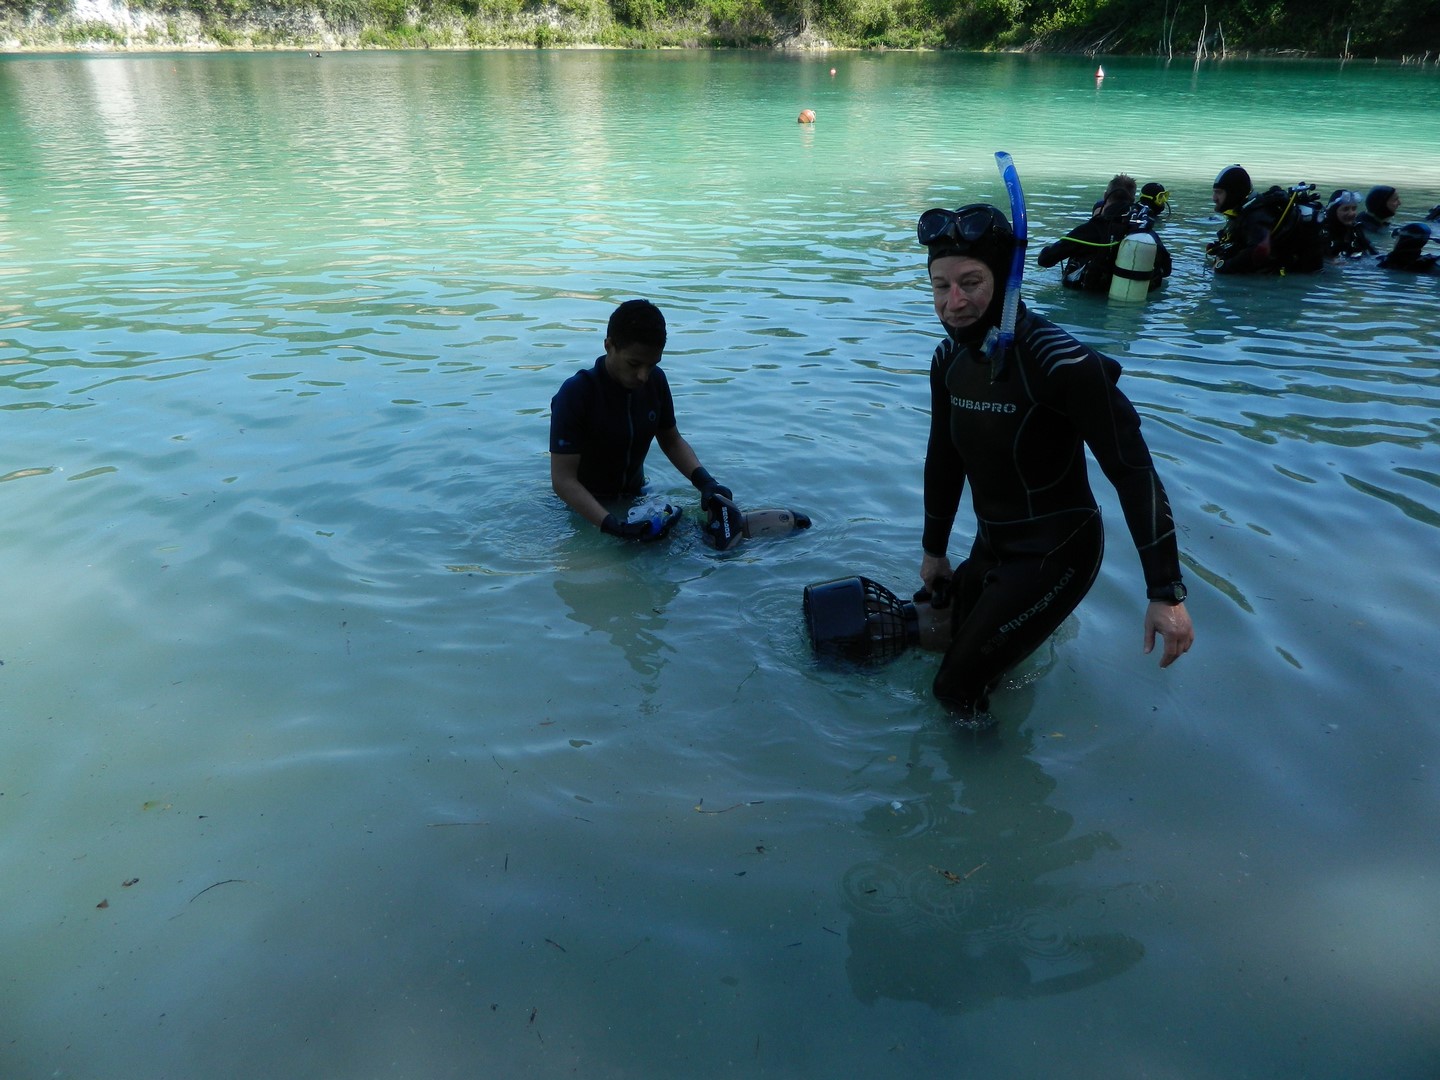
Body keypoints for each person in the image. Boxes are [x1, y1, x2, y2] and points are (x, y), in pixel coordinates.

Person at [915, 203, 1194, 727]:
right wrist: (934, 552)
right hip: (993, 544)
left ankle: (989, 777)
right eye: (940, 286)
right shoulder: (948, 360)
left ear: (1006, 281)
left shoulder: (1062, 363)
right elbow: (943, 455)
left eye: (971, 283)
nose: (954, 302)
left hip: (1057, 554)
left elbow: (1132, 472)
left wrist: (1166, 594)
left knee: (952, 690)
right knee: (944, 646)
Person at [549, 299, 732, 541]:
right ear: (609, 346)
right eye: (634, 364)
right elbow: (563, 481)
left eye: (652, 365)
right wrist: (614, 527)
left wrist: (706, 483)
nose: (643, 376)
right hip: (585, 509)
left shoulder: (656, 382)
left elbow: (671, 441)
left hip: (638, 496)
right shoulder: (576, 394)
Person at [1037, 176, 1171, 293]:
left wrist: (1046, 250)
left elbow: (1045, 260)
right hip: (1130, 299)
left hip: (1086, 298)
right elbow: (1166, 271)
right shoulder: (1144, 232)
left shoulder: (1090, 229)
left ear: (1105, 195)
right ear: (1133, 198)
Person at [1207, 165, 1324, 275]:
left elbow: (1261, 250)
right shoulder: (1244, 211)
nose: (1214, 198)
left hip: (1298, 276)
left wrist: (1222, 267)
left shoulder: (1256, 216)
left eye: (1219, 192)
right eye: (1214, 192)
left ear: (1234, 193)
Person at [1321, 190, 1377, 260]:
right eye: (1345, 209)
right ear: (1333, 211)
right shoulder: (1321, 231)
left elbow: (1373, 254)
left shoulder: (1355, 230)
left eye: (1354, 209)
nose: (1351, 213)